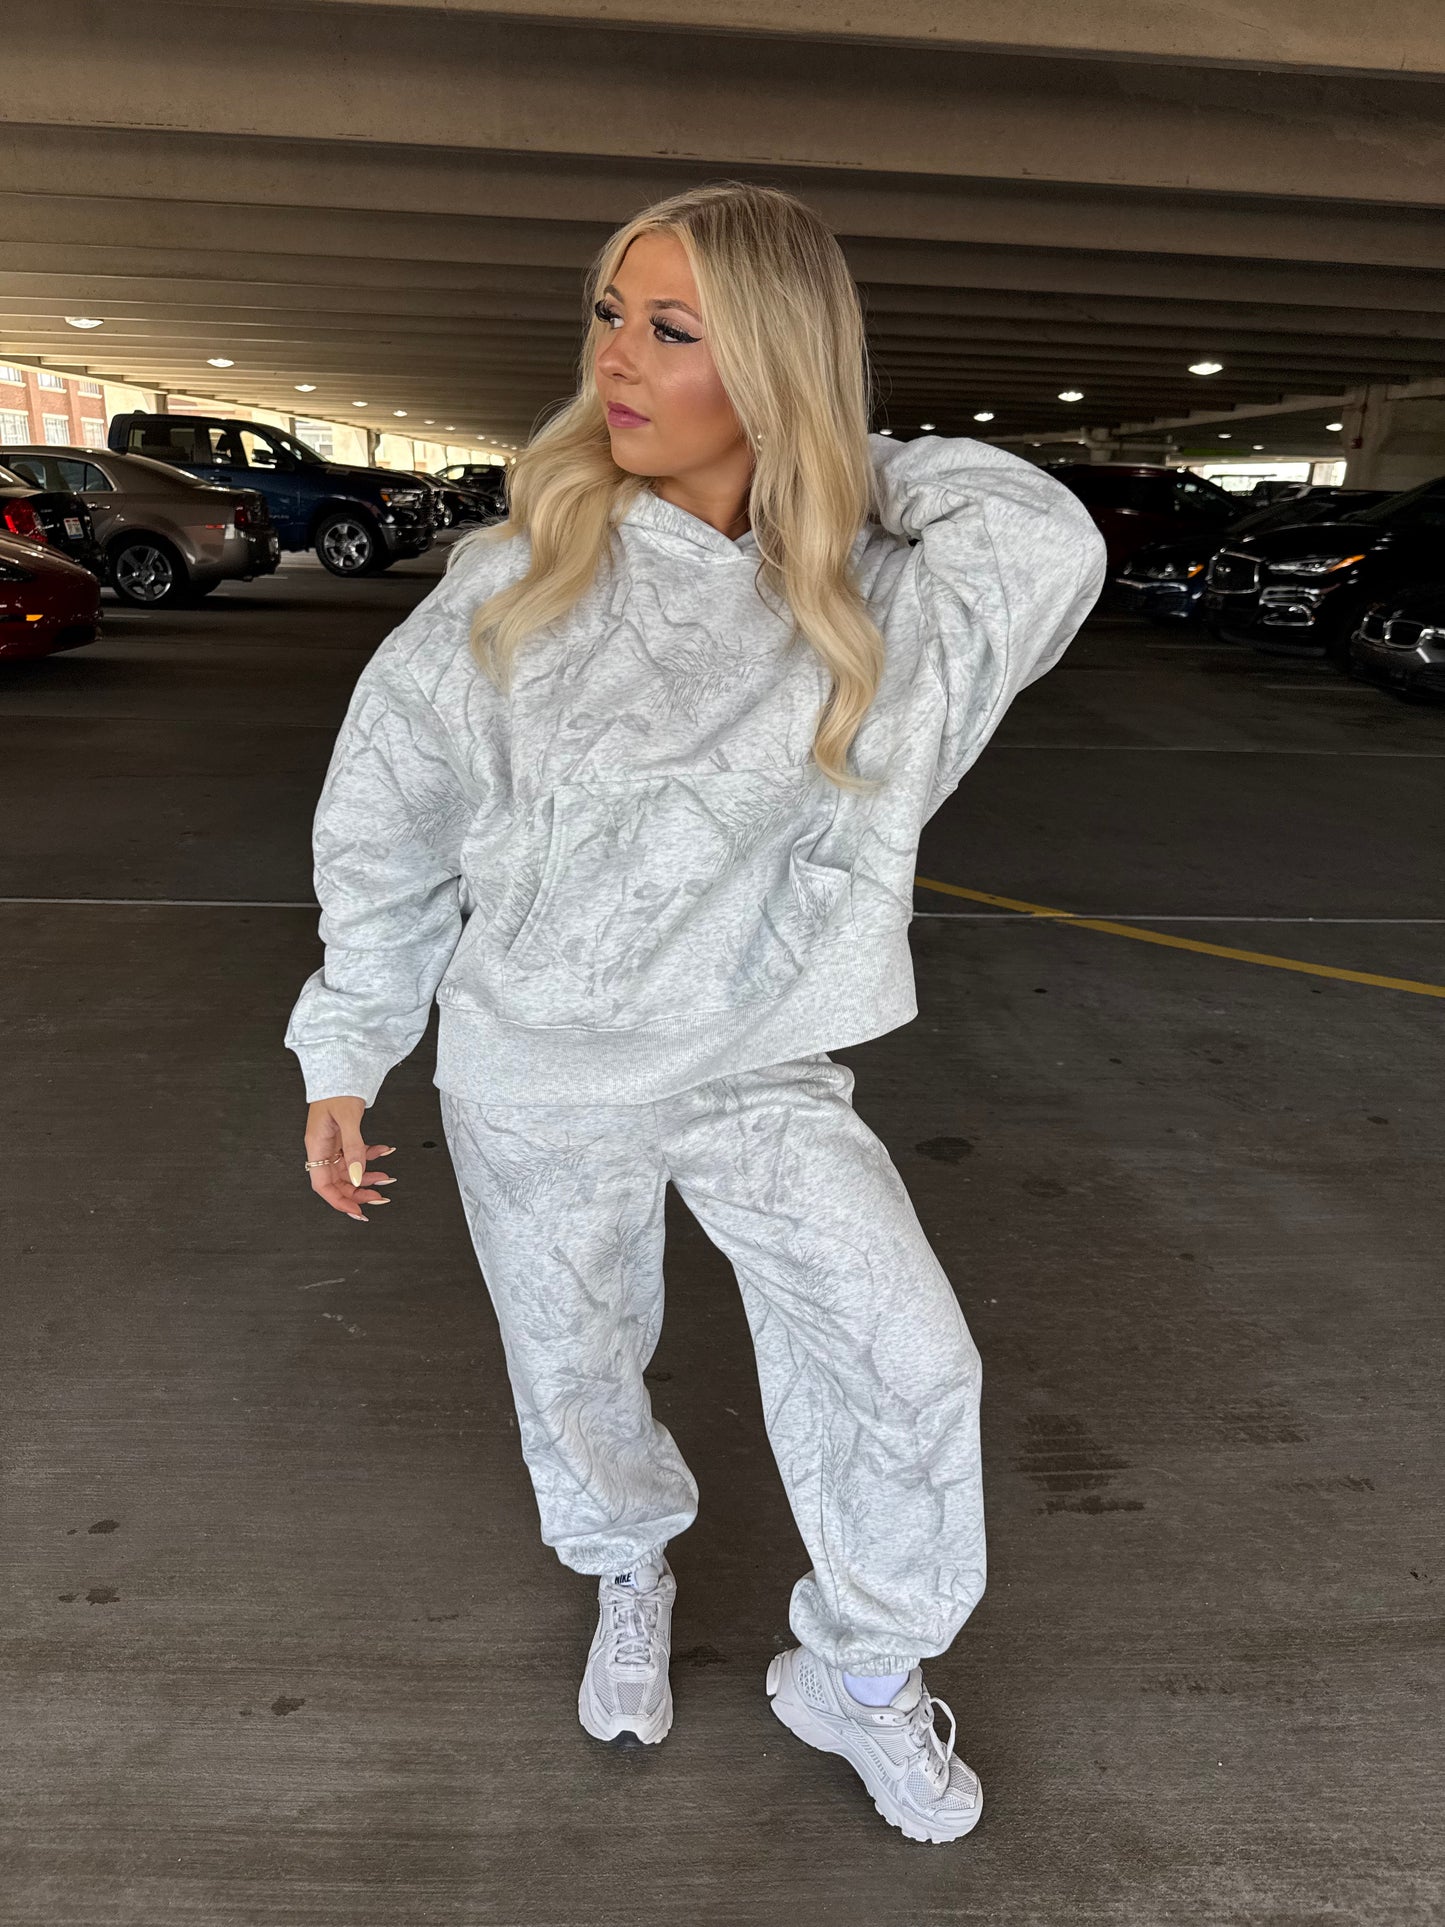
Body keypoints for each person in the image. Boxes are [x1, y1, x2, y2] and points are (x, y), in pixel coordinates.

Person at [285, 180, 1106, 1845]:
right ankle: (626, 1571)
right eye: (609, 314)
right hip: (536, 1068)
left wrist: (841, 462)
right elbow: (386, 820)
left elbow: (1049, 542)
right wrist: (347, 1044)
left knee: (903, 1365)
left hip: (755, 1064)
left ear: (780, 365)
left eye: (672, 329)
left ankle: (856, 1668)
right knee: (575, 1359)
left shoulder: (871, 599)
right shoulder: (518, 578)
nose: (615, 359)